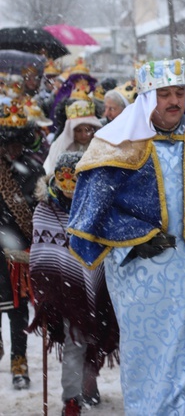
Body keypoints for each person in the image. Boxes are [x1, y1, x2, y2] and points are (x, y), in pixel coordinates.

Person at [67, 58, 185, 414]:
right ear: (146, 99)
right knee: (151, 359)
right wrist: (135, 238)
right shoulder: (115, 141)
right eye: (164, 94)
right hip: (141, 273)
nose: (173, 101)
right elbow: (90, 212)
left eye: (179, 93)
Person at [28, 151, 119, 415]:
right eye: (64, 177)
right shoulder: (44, 210)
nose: (69, 186)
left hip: (101, 286)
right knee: (75, 341)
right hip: (66, 293)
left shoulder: (96, 205)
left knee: (97, 338)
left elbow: (108, 244)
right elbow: (42, 254)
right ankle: (72, 397)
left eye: (75, 178)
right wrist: (48, 292)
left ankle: (89, 383)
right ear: (55, 178)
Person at [0, 98, 45, 389]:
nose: (12, 148)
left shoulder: (33, 167)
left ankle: (20, 361)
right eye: (7, 142)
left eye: (18, 142)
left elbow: (42, 212)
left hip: (19, 256)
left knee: (18, 312)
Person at [43, 100, 102, 175]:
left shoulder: (101, 147)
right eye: (78, 130)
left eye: (88, 130)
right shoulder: (58, 147)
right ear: (71, 130)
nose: (84, 135)